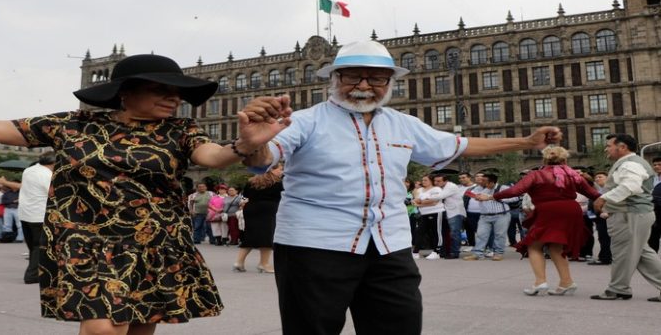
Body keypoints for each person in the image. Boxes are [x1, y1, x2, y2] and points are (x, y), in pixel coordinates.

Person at [0, 53, 287, 335]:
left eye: (178, 92)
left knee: (141, 325)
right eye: (161, 90)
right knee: (104, 328)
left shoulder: (180, 131)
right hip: (85, 240)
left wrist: (242, 144)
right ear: (125, 93)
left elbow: (213, 156)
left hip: (153, 242)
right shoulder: (72, 125)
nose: (173, 98)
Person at [240, 40, 562, 334]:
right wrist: (252, 145)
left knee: (400, 325)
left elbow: (458, 144)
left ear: (389, 84)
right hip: (314, 246)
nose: (364, 85)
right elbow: (263, 159)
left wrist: (526, 141)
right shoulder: (305, 121)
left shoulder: (402, 123)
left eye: (376, 78)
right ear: (334, 79)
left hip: (388, 245)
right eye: (353, 76)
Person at [488, 146, 600, 295]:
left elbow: (516, 190)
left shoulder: (536, 174)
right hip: (571, 210)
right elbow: (593, 193)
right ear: (565, 160)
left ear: (545, 160)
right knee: (556, 247)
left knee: (534, 245)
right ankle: (566, 282)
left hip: (548, 210)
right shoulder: (573, 175)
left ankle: (540, 282)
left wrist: (492, 196)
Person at [590, 134, 661, 302]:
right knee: (642, 253)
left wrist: (604, 198)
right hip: (635, 214)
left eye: (609, 145)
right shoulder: (631, 163)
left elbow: (631, 186)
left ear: (622, 147)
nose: (606, 148)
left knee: (623, 253)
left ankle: (617, 289)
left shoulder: (629, 163)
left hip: (629, 214)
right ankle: (619, 288)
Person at [0, 151, 55, 283]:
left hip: (25, 213)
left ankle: (38, 272)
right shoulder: (46, 174)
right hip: (39, 215)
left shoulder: (29, 170)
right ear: (53, 163)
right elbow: (52, 193)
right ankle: (32, 275)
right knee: (39, 247)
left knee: (33, 247)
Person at [232, 165, 283, 273]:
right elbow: (282, 196)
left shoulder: (251, 182)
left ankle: (239, 262)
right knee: (267, 236)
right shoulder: (278, 183)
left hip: (251, 208)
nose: (281, 171)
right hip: (268, 210)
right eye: (280, 169)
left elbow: (245, 195)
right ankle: (264, 264)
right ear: (272, 170)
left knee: (250, 235)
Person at [463, 173, 519, 261]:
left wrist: (494, 197)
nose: (481, 182)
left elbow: (515, 197)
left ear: (491, 182)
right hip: (484, 216)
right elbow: (473, 194)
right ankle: (478, 253)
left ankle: (498, 253)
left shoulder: (503, 188)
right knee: (481, 234)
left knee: (499, 235)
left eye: (484, 181)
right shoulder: (478, 188)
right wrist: (477, 197)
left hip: (501, 215)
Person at [413, 174, 445, 260]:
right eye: (422, 180)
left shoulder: (436, 189)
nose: (423, 182)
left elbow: (434, 202)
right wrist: (424, 201)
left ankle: (437, 252)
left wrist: (420, 203)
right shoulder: (419, 190)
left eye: (425, 180)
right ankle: (415, 252)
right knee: (420, 232)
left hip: (436, 212)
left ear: (431, 181)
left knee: (436, 232)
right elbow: (415, 200)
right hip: (424, 214)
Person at [434, 174, 465, 259]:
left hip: (455, 212)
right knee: (448, 233)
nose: (436, 183)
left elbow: (440, 196)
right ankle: (446, 251)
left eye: (438, 181)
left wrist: (423, 198)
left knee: (454, 233)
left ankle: (455, 252)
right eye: (435, 181)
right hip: (448, 212)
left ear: (445, 181)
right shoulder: (441, 187)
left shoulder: (451, 186)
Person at [587, 171, 612, 265]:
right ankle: (604, 256)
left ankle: (605, 258)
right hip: (598, 218)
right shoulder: (596, 190)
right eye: (596, 177)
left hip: (608, 216)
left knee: (606, 238)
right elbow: (590, 204)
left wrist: (607, 213)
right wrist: (592, 217)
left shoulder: (610, 190)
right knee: (602, 238)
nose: (597, 179)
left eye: (600, 177)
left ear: (607, 178)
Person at [648, 157, 661, 252]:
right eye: (655, 164)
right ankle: (653, 263)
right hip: (653, 213)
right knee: (652, 240)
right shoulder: (653, 179)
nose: (656, 166)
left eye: (659, 164)